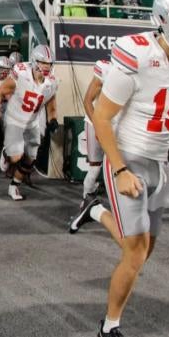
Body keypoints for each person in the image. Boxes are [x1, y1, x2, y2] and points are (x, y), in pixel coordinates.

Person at [80, 0, 169, 337]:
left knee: (143, 251)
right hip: (129, 156)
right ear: (165, 20)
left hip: (159, 161)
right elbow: (102, 118)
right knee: (135, 253)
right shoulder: (136, 53)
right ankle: (109, 328)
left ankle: (95, 210)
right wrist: (118, 169)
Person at [0, 45, 59, 201]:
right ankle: (6, 153)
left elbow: (51, 104)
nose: (46, 66)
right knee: (16, 157)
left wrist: (53, 119)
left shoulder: (51, 82)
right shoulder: (21, 73)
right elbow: (1, 92)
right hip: (15, 119)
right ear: (34, 61)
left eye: (49, 64)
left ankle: (14, 185)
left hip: (32, 123)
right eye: (43, 63)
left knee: (30, 159)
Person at [70, 59, 110, 233]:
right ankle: (85, 201)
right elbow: (88, 101)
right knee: (95, 167)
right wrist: (98, 127)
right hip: (96, 121)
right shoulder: (107, 70)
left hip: (114, 123)